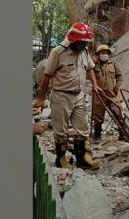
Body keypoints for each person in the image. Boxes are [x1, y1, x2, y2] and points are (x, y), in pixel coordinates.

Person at [33, 22, 101, 170]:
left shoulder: (83, 51)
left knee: (83, 129)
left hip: (79, 96)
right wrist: (40, 98)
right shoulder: (58, 53)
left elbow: (90, 69)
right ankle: (61, 159)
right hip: (61, 96)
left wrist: (95, 85)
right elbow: (47, 76)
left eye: (86, 43)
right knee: (60, 131)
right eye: (82, 42)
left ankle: (81, 158)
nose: (84, 45)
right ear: (73, 40)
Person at [91, 44, 123, 141]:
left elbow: (119, 76)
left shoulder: (113, 64)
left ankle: (122, 134)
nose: (105, 55)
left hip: (111, 94)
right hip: (99, 95)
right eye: (102, 53)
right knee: (97, 116)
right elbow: (86, 72)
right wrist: (93, 60)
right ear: (98, 54)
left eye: (107, 53)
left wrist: (117, 87)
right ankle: (97, 136)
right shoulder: (93, 65)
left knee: (118, 112)